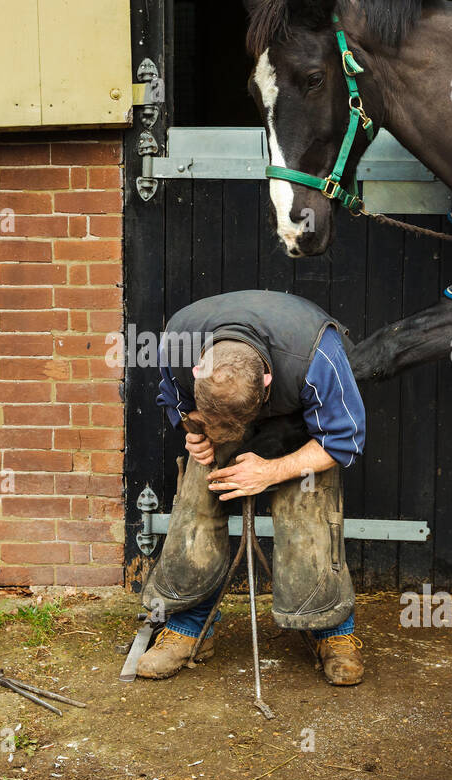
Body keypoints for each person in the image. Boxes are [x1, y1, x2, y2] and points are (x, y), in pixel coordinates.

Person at [138, 290, 367, 685]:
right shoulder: (179, 341)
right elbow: (174, 401)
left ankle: (333, 632)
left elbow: (343, 438)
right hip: (219, 413)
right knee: (196, 498)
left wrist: (272, 471)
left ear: (266, 381)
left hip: (302, 427)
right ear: (197, 372)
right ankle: (190, 629)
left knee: (308, 505)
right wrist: (194, 432)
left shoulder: (316, 352)